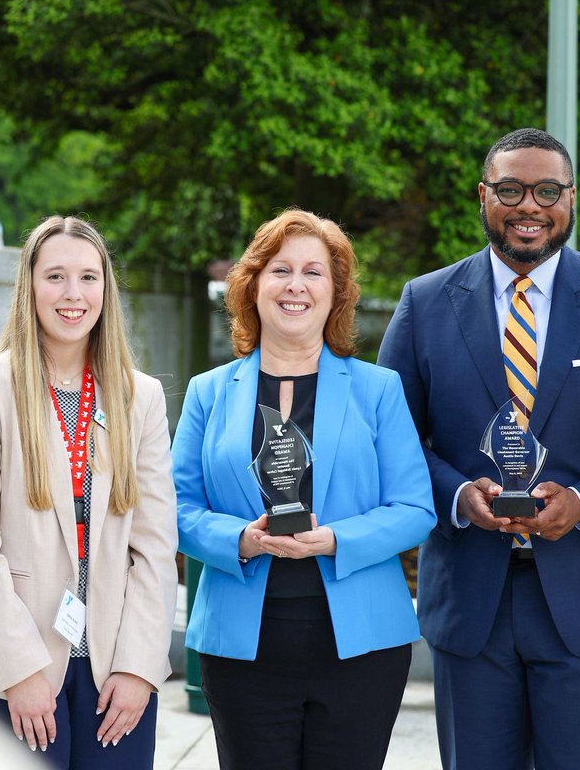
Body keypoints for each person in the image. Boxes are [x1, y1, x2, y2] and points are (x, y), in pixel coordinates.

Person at [377, 127, 580, 769]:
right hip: (472, 600)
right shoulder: (425, 302)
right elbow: (393, 439)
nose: (530, 206)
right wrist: (460, 496)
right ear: (483, 196)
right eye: (511, 189)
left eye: (547, 190)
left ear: (571, 198)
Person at [173, 208, 435, 770]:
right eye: (280, 269)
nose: (296, 286)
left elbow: (415, 508)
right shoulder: (208, 392)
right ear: (253, 284)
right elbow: (176, 507)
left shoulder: (378, 389)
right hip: (243, 646)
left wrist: (334, 539)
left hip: (361, 645)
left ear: (336, 291)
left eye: (314, 272)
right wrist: (240, 538)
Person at [0, 216, 178, 767]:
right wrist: (19, 668)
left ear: (105, 289)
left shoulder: (139, 397)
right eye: (56, 277)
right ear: (30, 287)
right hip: (6, 671)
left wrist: (139, 666)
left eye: (88, 278)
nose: (73, 295)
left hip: (113, 675)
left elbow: (155, 546)